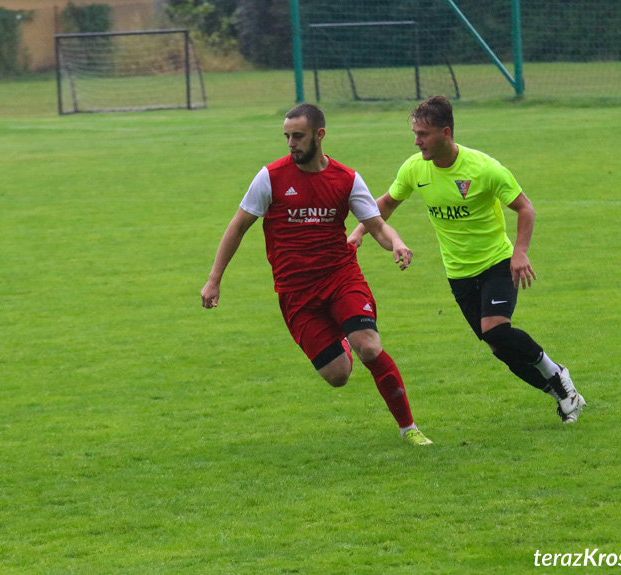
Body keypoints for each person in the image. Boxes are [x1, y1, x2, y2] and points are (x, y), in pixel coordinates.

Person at [201, 103, 432, 446]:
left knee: (368, 347)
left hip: (341, 277)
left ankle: (408, 428)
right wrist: (214, 279)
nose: (291, 143)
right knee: (338, 375)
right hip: (296, 292)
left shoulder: (346, 178)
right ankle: (342, 335)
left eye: (298, 136)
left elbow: (377, 226)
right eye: (287, 137)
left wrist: (396, 242)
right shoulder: (270, 178)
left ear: (319, 135)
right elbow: (237, 228)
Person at [348, 95, 586, 423]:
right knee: (499, 348)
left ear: (446, 133)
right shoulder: (415, 168)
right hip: (458, 273)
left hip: (496, 264)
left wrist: (520, 253)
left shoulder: (483, 168)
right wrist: (361, 230)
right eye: (415, 134)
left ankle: (557, 374)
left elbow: (524, 208)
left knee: (495, 331)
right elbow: (387, 203)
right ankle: (562, 393)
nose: (417, 142)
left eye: (424, 134)